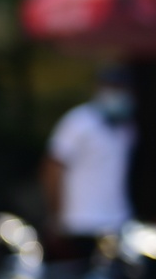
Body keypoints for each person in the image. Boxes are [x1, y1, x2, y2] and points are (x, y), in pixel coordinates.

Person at [42, 66, 136, 257]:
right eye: (113, 86)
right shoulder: (78, 121)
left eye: (122, 87)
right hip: (80, 224)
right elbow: (52, 168)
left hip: (118, 222)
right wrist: (56, 215)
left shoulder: (127, 127)